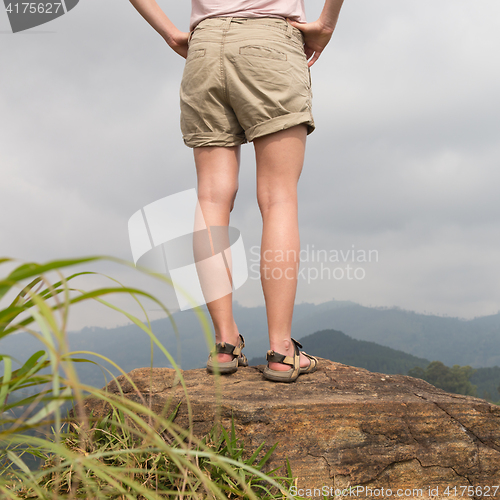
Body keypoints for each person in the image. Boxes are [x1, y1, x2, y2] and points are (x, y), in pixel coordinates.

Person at [129, 0, 345, 382]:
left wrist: (169, 31)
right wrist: (325, 24)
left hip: (205, 47)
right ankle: (281, 350)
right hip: (271, 41)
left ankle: (225, 345)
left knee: (211, 198)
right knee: (278, 198)